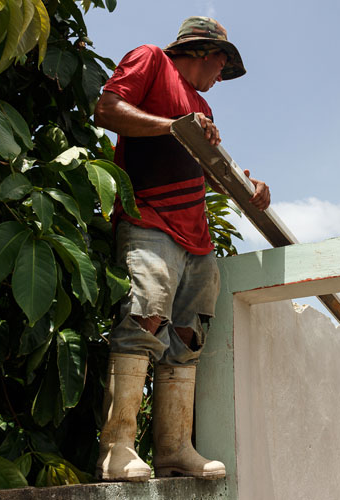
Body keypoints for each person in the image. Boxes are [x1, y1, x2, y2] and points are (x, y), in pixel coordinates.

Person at [93, 16, 270, 482]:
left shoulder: (202, 111)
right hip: (149, 219)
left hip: (198, 239)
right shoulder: (149, 58)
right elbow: (108, 110)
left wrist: (246, 184)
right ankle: (118, 449)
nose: (220, 79)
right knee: (143, 321)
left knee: (188, 339)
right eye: (222, 66)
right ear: (211, 55)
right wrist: (174, 125)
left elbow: (210, 170)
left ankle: (173, 449)